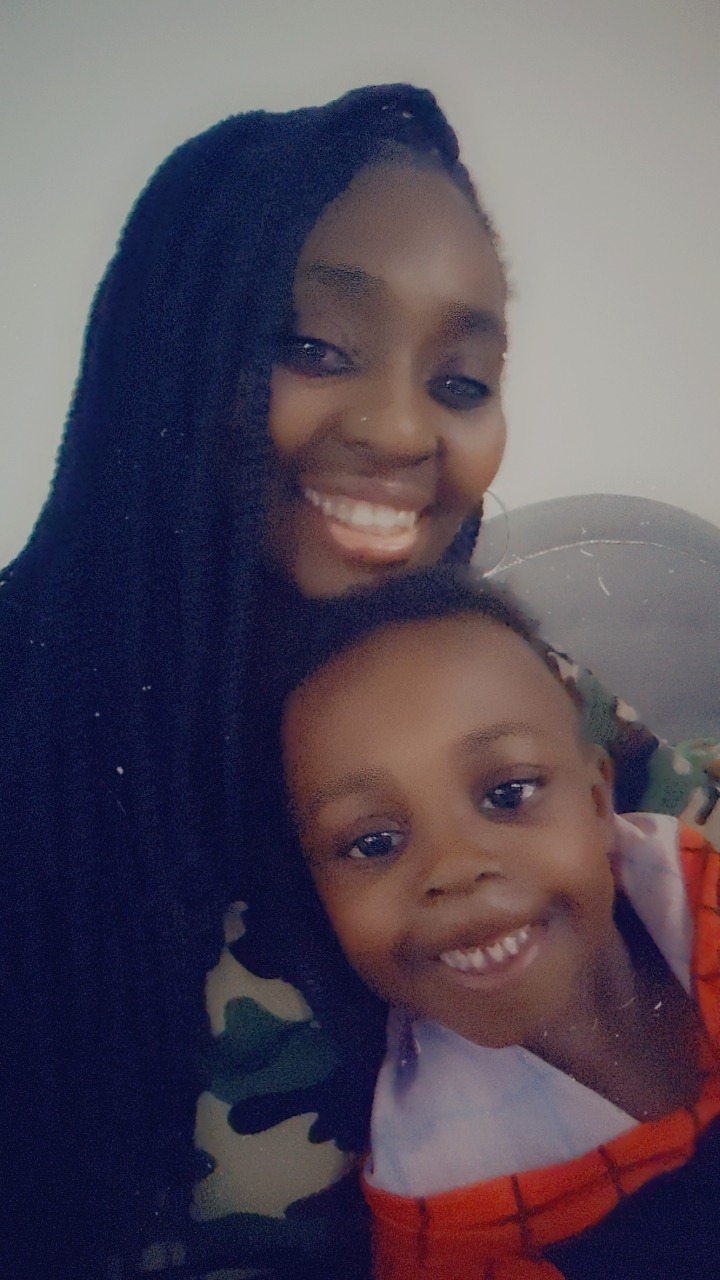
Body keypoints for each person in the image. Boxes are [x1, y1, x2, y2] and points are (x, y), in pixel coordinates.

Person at [0, 82, 715, 1278]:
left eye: (460, 379)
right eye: (316, 348)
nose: (401, 431)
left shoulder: (497, 677)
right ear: (170, 345)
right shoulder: (28, 754)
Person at [278, 567, 720, 1278]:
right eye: (373, 842)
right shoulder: (445, 1217)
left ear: (599, 803)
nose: (454, 868)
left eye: (508, 793)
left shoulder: (700, 882)